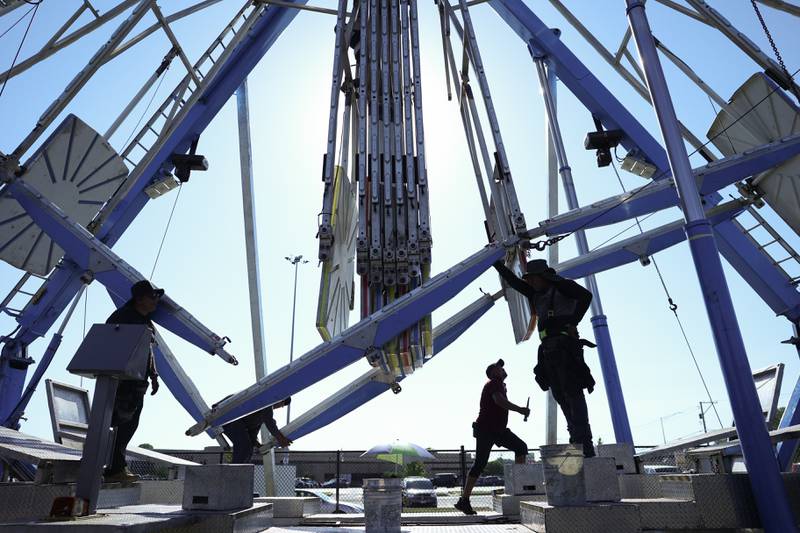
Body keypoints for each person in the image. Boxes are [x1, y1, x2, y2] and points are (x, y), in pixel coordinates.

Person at [494, 258, 597, 458]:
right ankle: (576, 438)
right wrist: (497, 265)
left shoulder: (562, 286)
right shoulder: (535, 293)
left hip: (566, 349)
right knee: (559, 395)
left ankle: (585, 443)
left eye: (533, 278)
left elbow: (586, 296)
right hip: (548, 352)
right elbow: (515, 283)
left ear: (543, 276)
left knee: (573, 395)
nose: (530, 283)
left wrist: (572, 322)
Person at [104, 280, 163, 483]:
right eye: (152, 296)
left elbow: (147, 350)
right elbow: (110, 344)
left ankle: (115, 468)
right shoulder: (125, 317)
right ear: (139, 299)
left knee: (128, 424)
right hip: (122, 381)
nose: (156, 300)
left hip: (136, 381)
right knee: (117, 423)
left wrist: (153, 375)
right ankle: (112, 468)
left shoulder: (143, 320)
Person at [455, 359, 530, 516]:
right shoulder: (493, 383)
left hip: (498, 430)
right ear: (493, 373)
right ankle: (464, 500)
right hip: (486, 429)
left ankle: (518, 486)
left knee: (521, 448)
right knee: (480, 463)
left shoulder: (501, 385)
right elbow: (499, 401)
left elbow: (501, 397)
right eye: (499, 368)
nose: (502, 369)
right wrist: (520, 410)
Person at [220, 398, 293, 463]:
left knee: (248, 447)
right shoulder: (267, 402)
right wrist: (281, 438)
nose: (278, 407)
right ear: (281, 401)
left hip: (233, 422)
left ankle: (240, 470)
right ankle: (235, 470)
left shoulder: (261, 415)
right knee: (244, 445)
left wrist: (258, 445)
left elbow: (252, 435)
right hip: (230, 419)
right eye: (282, 405)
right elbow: (270, 422)